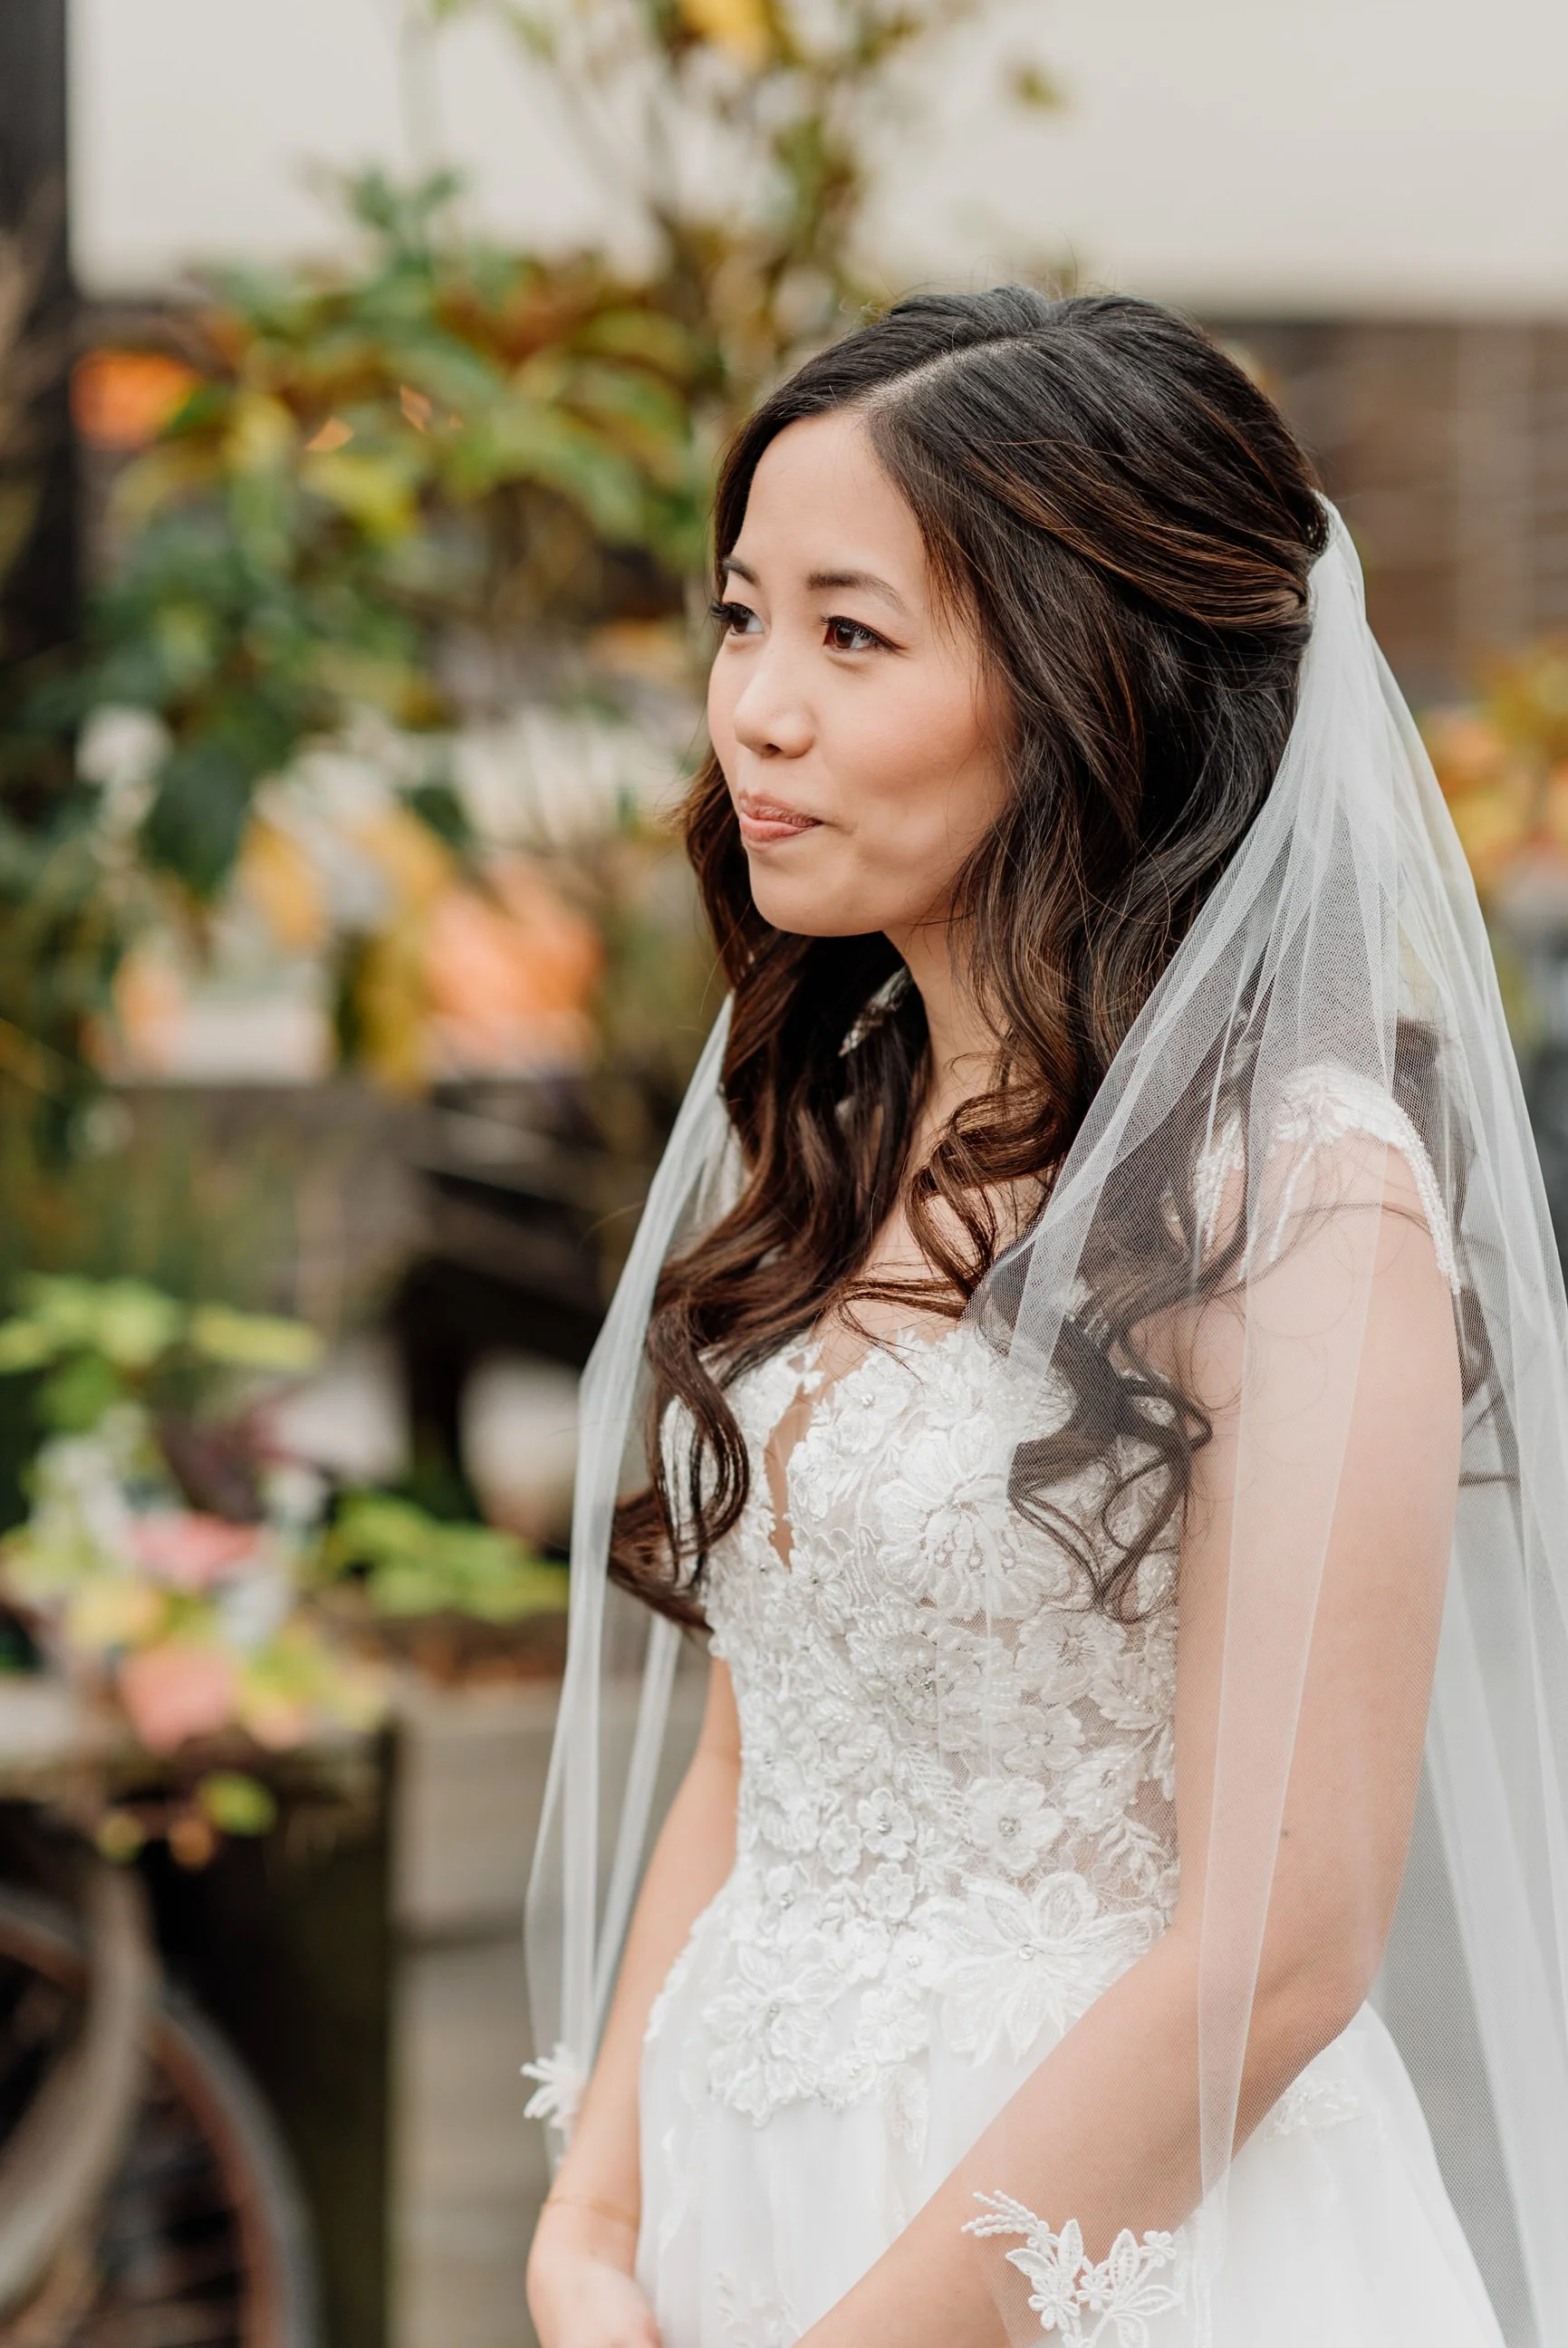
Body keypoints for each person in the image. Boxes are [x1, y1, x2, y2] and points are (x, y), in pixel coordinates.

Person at [524, 289, 1568, 2347]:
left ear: (1091, 688)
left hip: (1088, 2241)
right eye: (742, 618)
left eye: (850, 633)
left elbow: (1280, 1944)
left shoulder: (1284, 1193)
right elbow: (767, 1732)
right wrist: (596, 2218)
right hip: (752, 2194)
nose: (754, 709)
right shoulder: (836, 1126)